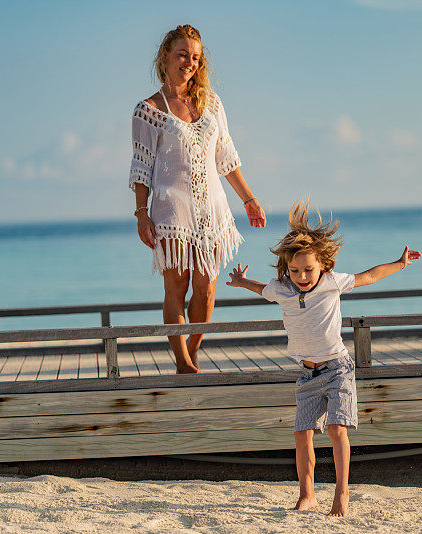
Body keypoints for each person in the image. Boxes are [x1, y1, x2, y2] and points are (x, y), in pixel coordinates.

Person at [226, 201, 421, 517]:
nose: (302, 276)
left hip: (338, 368)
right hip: (307, 374)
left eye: (309, 270)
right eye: (295, 270)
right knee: (301, 435)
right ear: (286, 269)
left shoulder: (333, 283)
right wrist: (242, 282)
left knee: (336, 429)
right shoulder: (283, 289)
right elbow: (264, 289)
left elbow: (369, 276)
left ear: (323, 266)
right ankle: (307, 495)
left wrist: (399, 264)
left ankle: (341, 495)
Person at [129, 25, 266, 374]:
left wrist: (249, 198)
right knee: (176, 285)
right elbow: (142, 166)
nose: (189, 62)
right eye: (182, 54)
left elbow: (226, 158)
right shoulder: (148, 110)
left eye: (195, 56)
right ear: (165, 56)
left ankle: (190, 350)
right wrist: (141, 213)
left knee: (205, 290)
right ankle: (183, 362)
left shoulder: (211, 103)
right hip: (171, 209)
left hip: (212, 209)